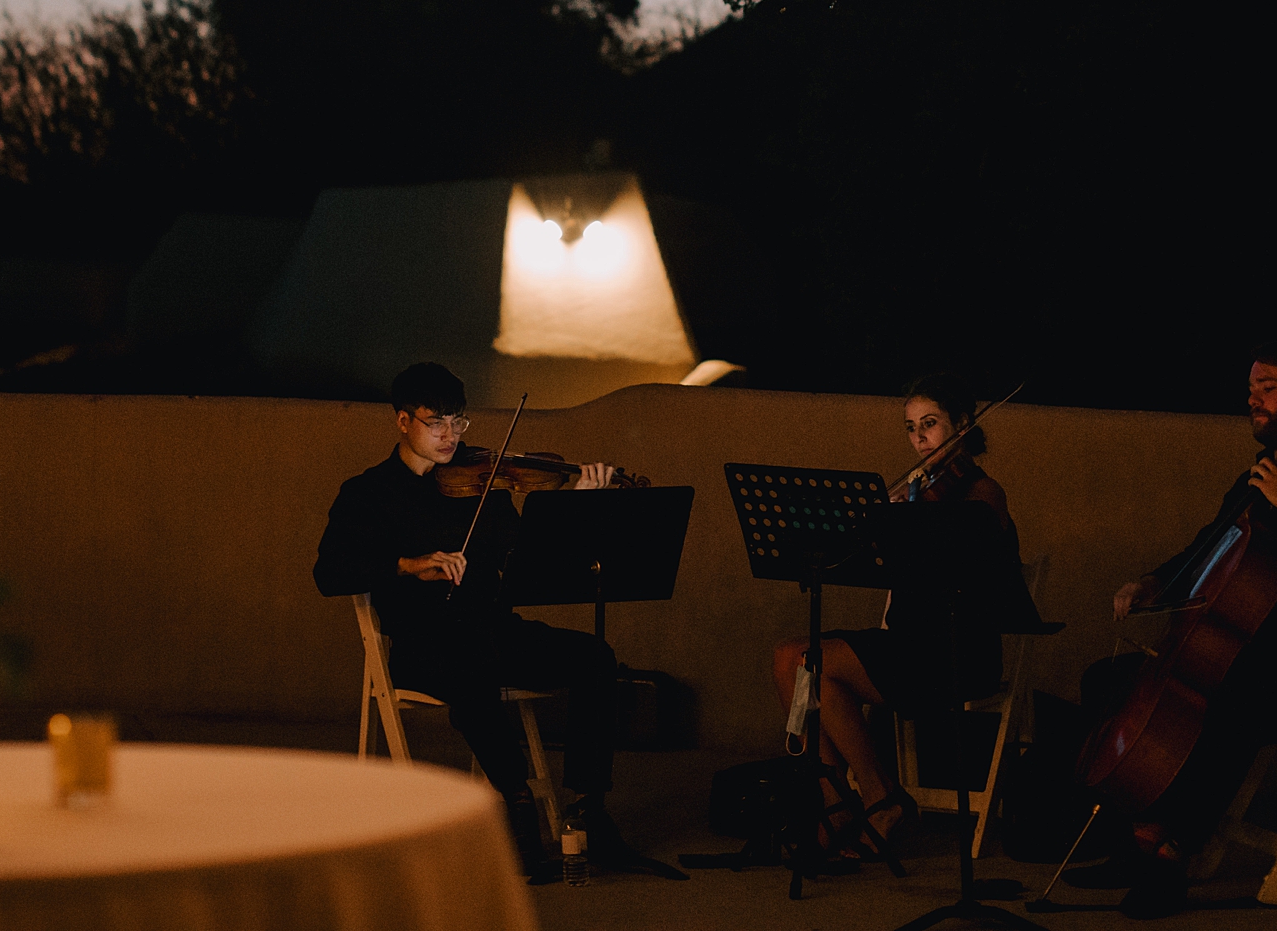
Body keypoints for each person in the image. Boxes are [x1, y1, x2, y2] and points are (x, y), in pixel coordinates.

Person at [311, 362, 679, 883]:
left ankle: (588, 808)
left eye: (459, 422)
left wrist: (573, 507)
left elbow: (527, 558)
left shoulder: (485, 482)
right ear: (401, 421)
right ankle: (516, 801)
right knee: (471, 663)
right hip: (424, 643)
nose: (450, 436)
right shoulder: (367, 493)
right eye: (436, 421)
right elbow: (330, 572)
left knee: (594, 658)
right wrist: (407, 565)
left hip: (493, 627)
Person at [1070, 340, 1277, 919]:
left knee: (1223, 700)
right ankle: (1133, 839)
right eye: (1252, 389)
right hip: (1241, 651)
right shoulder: (1261, 474)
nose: (1254, 400)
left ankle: (1170, 857)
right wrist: (1153, 582)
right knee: (1109, 681)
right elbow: (1207, 547)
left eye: (1270, 389)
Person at [768, 373, 1019, 860]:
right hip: (905, 644)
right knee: (791, 660)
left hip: (953, 650)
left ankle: (881, 799)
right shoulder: (915, 493)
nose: (919, 438)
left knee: (804, 661)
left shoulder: (983, 492)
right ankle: (838, 802)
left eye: (930, 424)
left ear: (962, 426)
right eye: (910, 428)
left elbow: (961, 558)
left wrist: (902, 522)